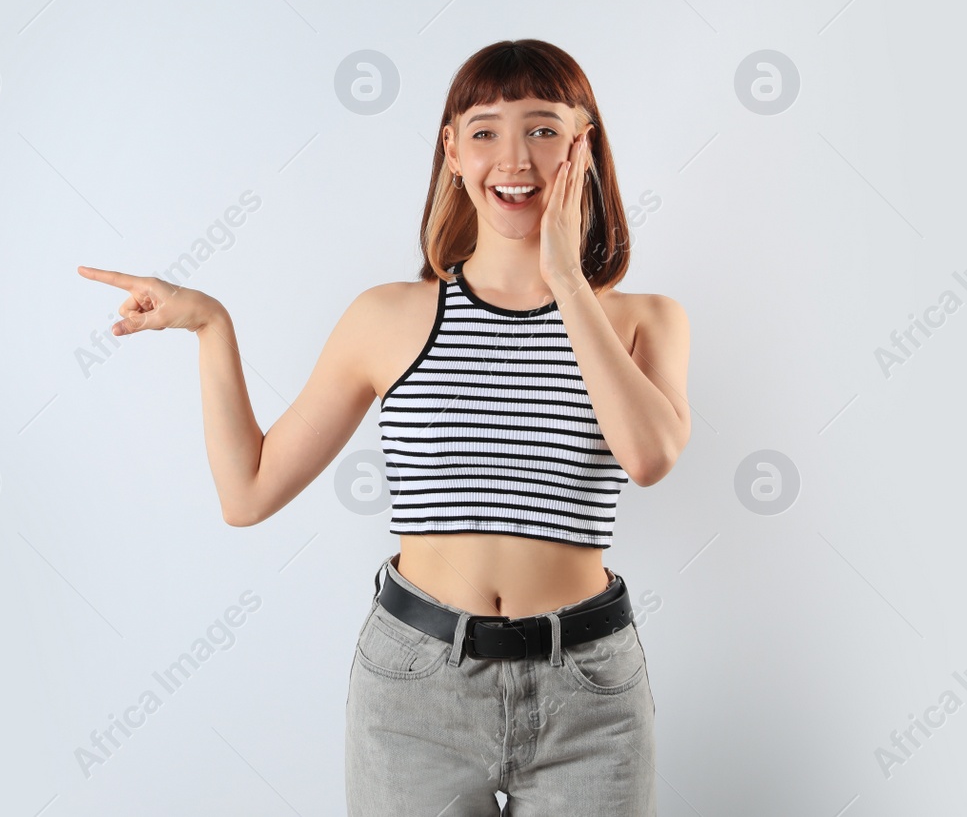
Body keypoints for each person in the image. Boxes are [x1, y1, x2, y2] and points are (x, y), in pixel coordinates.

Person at [77, 39, 690, 816]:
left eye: (542, 128)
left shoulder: (644, 321)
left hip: (591, 690)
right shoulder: (389, 317)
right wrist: (211, 325)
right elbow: (248, 491)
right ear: (452, 151)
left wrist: (566, 277)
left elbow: (649, 455)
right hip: (415, 687)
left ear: (584, 144)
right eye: (485, 130)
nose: (515, 157)